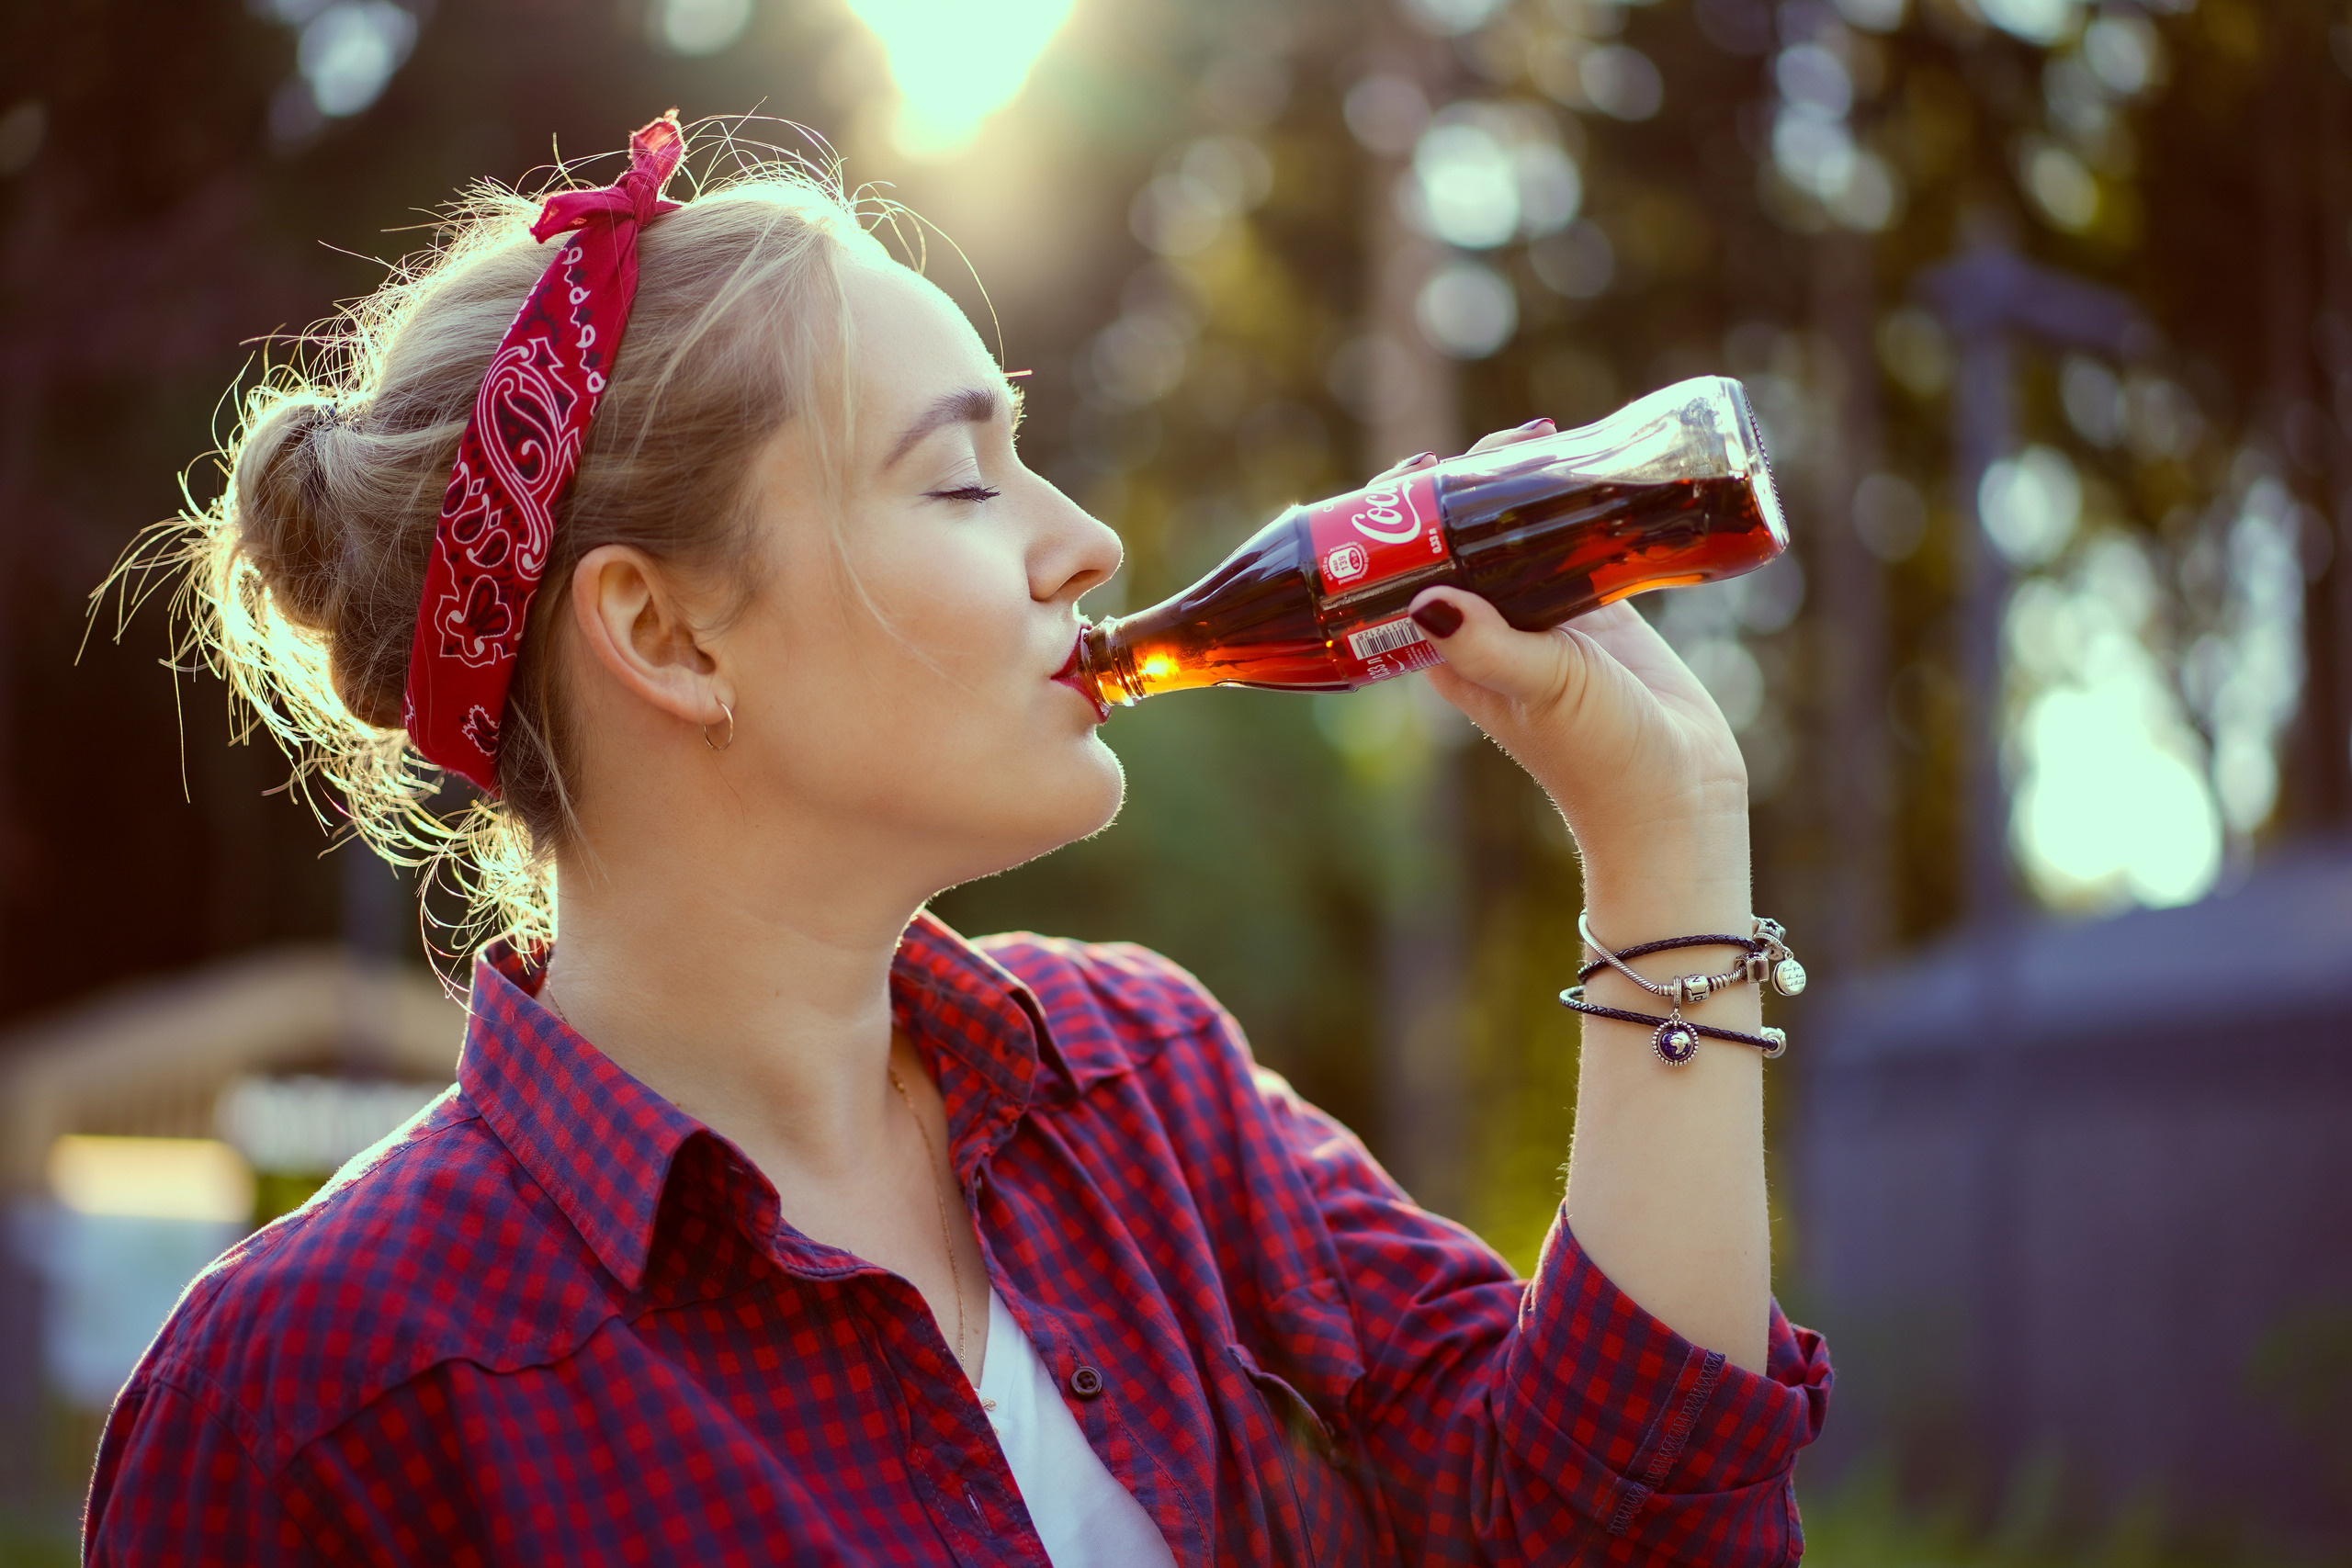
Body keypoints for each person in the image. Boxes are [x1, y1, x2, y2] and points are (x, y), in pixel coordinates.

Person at [84, 116, 1828, 1565]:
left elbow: (1611, 1533)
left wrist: (1666, 836)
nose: (1088, 545)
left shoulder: (1143, 1087)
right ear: (668, 636)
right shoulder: (316, 1401)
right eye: (963, 478)